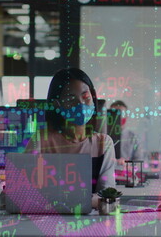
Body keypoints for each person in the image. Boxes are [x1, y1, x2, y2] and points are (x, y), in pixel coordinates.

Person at [25, 68, 116, 208]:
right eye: (70, 100)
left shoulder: (103, 143)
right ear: (57, 104)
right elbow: (25, 191)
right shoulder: (41, 141)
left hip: (90, 223)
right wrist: (87, 200)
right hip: (48, 221)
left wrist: (66, 200)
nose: (80, 105)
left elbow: (108, 196)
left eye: (85, 97)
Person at [109, 100, 144, 165]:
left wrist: (127, 164)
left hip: (126, 173)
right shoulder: (103, 137)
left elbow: (139, 161)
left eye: (121, 114)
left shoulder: (134, 138)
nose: (118, 117)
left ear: (126, 116)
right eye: (114, 114)